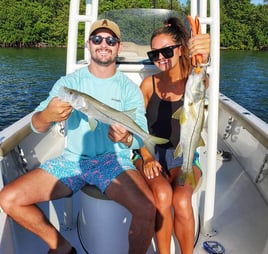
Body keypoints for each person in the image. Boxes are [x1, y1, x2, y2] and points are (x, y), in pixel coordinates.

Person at [0, 19, 156, 254]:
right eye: (97, 39)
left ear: (118, 47)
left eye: (110, 40)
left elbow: (139, 139)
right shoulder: (69, 83)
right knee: (8, 198)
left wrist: (125, 139)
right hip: (72, 161)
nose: (104, 44)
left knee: (147, 209)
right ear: (88, 44)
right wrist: (46, 115)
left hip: (113, 162)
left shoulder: (129, 89)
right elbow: (36, 126)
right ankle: (62, 247)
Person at [133, 16, 210, 254]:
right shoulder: (148, 85)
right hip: (150, 153)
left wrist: (204, 54)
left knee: (182, 200)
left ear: (180, 50)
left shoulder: (195, 81)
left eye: (166, 51)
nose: (161, 58)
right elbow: (136, 126)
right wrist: (146, 157)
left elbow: (203, 72)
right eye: (154, 54)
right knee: (163, 194)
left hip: (183, 154)